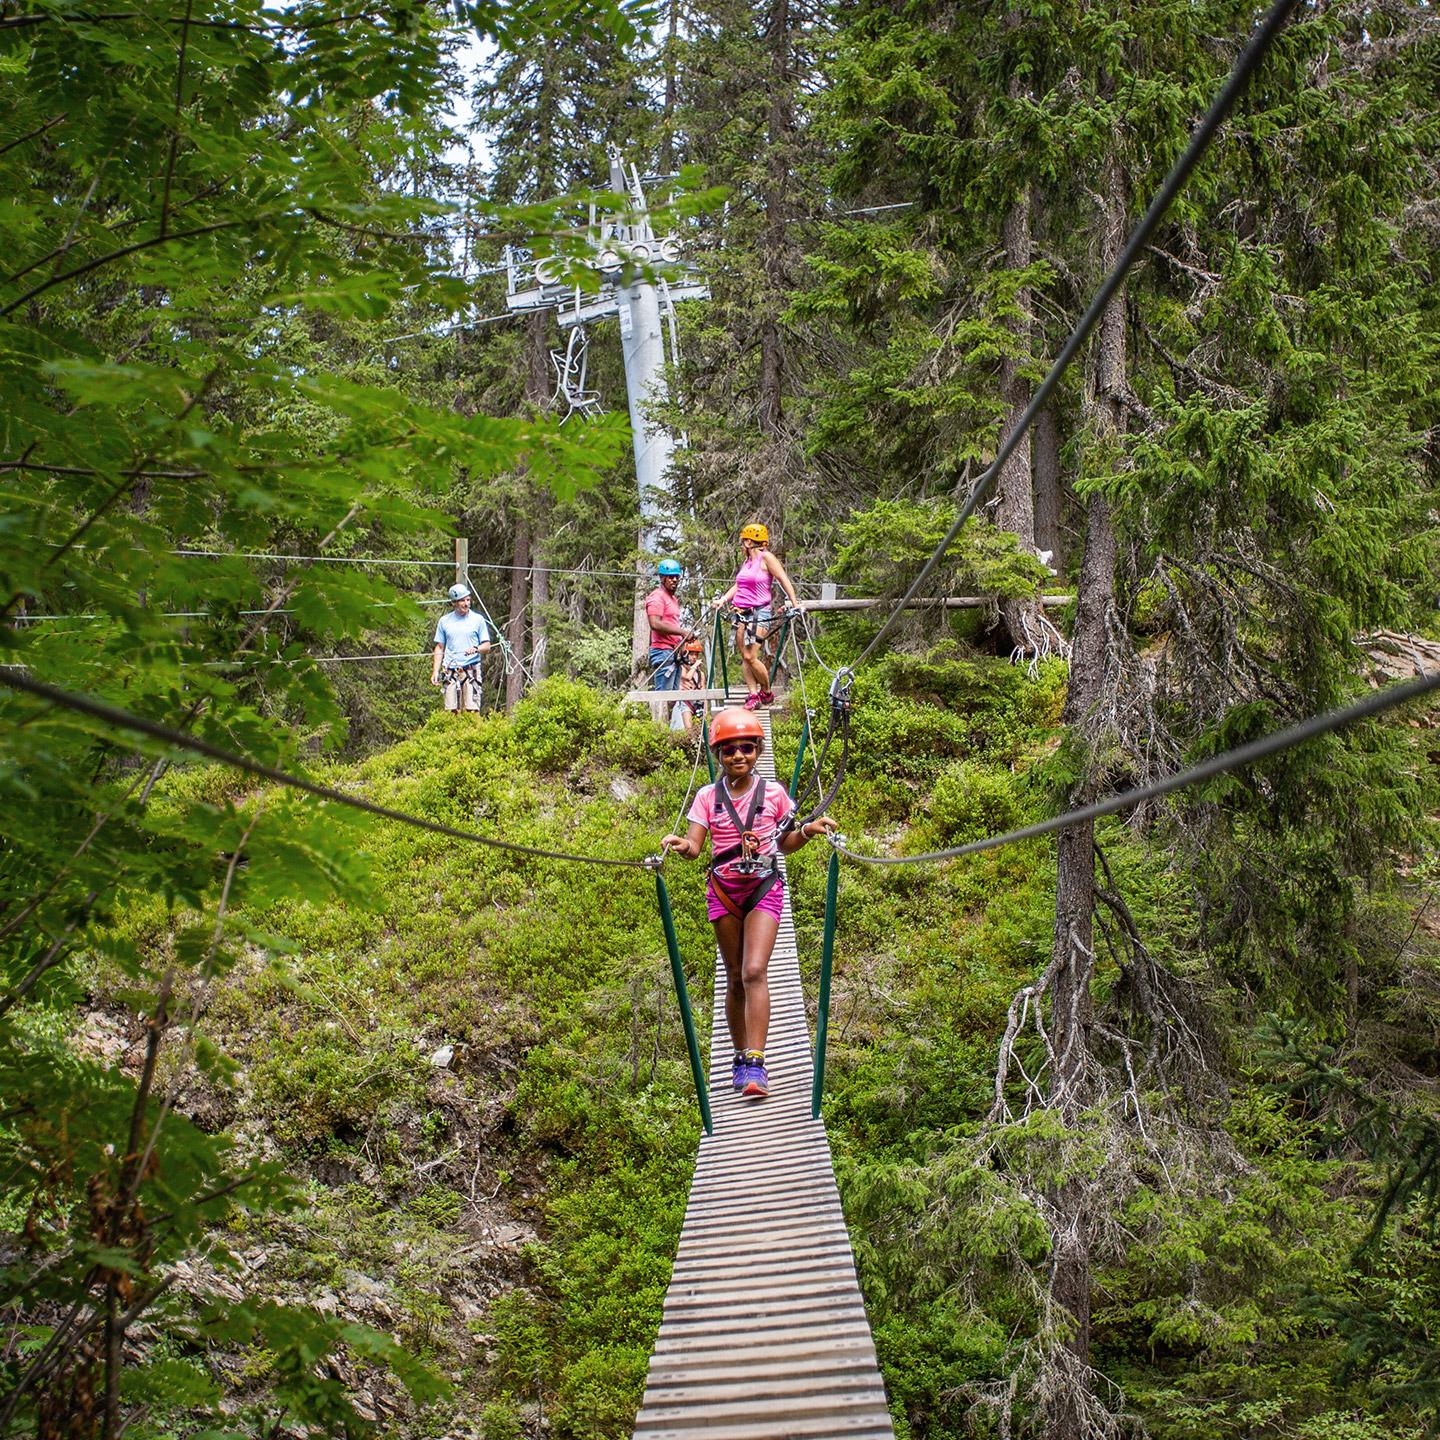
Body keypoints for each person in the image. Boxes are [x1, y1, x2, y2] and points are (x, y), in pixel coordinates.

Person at [661, 707, 838, 1099]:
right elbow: (695, 846)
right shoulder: (708, 797)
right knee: (734, 974)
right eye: (729, 750)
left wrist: (807, 829)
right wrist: (681, 846)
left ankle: (756, 1065)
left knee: (754, 971)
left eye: (746, 748)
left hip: (763, 887)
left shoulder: (773, 793)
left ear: (757, 749)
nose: (738, 756)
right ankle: (739, 1056)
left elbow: (786, 843)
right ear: (718, 755)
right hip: (724, 890)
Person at [715, 523, 800, 710]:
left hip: (759, 612)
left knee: (752, 656)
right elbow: (739, 586)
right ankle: (753, 695)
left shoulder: (766, 558)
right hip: (740, 613)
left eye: (744, 540)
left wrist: (795, 604)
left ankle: (766, 691)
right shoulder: (747, 563)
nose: (742, 544)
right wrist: (723, 599)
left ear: (748, 541)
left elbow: (783, 579)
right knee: (745, 657)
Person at [431, 582, 492, 713]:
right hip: (450, 671)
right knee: (451, 712)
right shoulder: (444, 621)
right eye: (462, 600)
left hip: (471, 671)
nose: (466, 603)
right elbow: (439, 647)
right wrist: (435, 671)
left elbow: (487, 646)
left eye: (468, 600)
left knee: (472, 710)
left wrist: (476, 649)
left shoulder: (478, 620)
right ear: (454, 603)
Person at [645, 557, 690, 698]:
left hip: (673, 652)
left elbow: (672, 625)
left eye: (677, 577)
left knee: (673, 699)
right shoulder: (657, 597)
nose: (675, 580)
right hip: (663, 651)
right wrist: (683, 632)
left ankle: (668, 721)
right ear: (662, 578)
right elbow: (655, 624)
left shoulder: (673, 599)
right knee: (663, 698)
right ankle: (657, 721)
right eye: (671, 577)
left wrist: (682, 644)